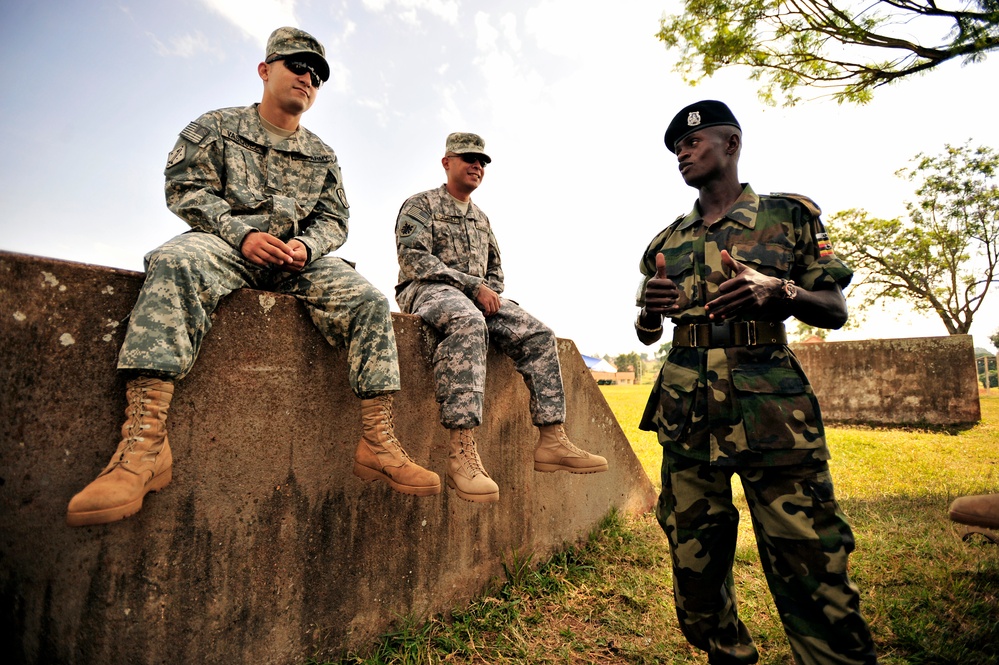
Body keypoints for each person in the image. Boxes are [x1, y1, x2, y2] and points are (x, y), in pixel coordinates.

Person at [66, 27, 440, 527]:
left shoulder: (323, 154)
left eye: (318, 75)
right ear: (265, 70)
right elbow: (186, 189)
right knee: (175, 262)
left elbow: (335, 220)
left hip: (295, 262)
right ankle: (145, 445)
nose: (309, 78)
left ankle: (377, 442)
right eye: (298, 66)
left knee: (368, 300)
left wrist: (308, 246)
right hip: (227, 248)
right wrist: (240, 234)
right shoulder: (216, 127)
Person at [635, 101, 878, 664]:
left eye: (694, 143)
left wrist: (782, 292)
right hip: (687, 413)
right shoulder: (664, 243)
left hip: (772, 414)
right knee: (696, 571)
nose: (683, 153)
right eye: (676, 148)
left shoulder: (788, 217)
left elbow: (834, 308)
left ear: (731, 144)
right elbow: (648, 333)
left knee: (811, 564)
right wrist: (649, 312)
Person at [394, 132, 607, 503]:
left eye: (482, 162)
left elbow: (496, 270)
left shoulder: (480, 218)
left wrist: (487, 290)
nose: (477, 165)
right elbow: (414, 259)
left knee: (538, 334)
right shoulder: (421, 204)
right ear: (447, 162)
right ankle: (461, 451)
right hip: (426, 291)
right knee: (468, 321)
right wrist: (472, 286)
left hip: (475, 298)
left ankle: (552, 439)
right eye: (468, 158)